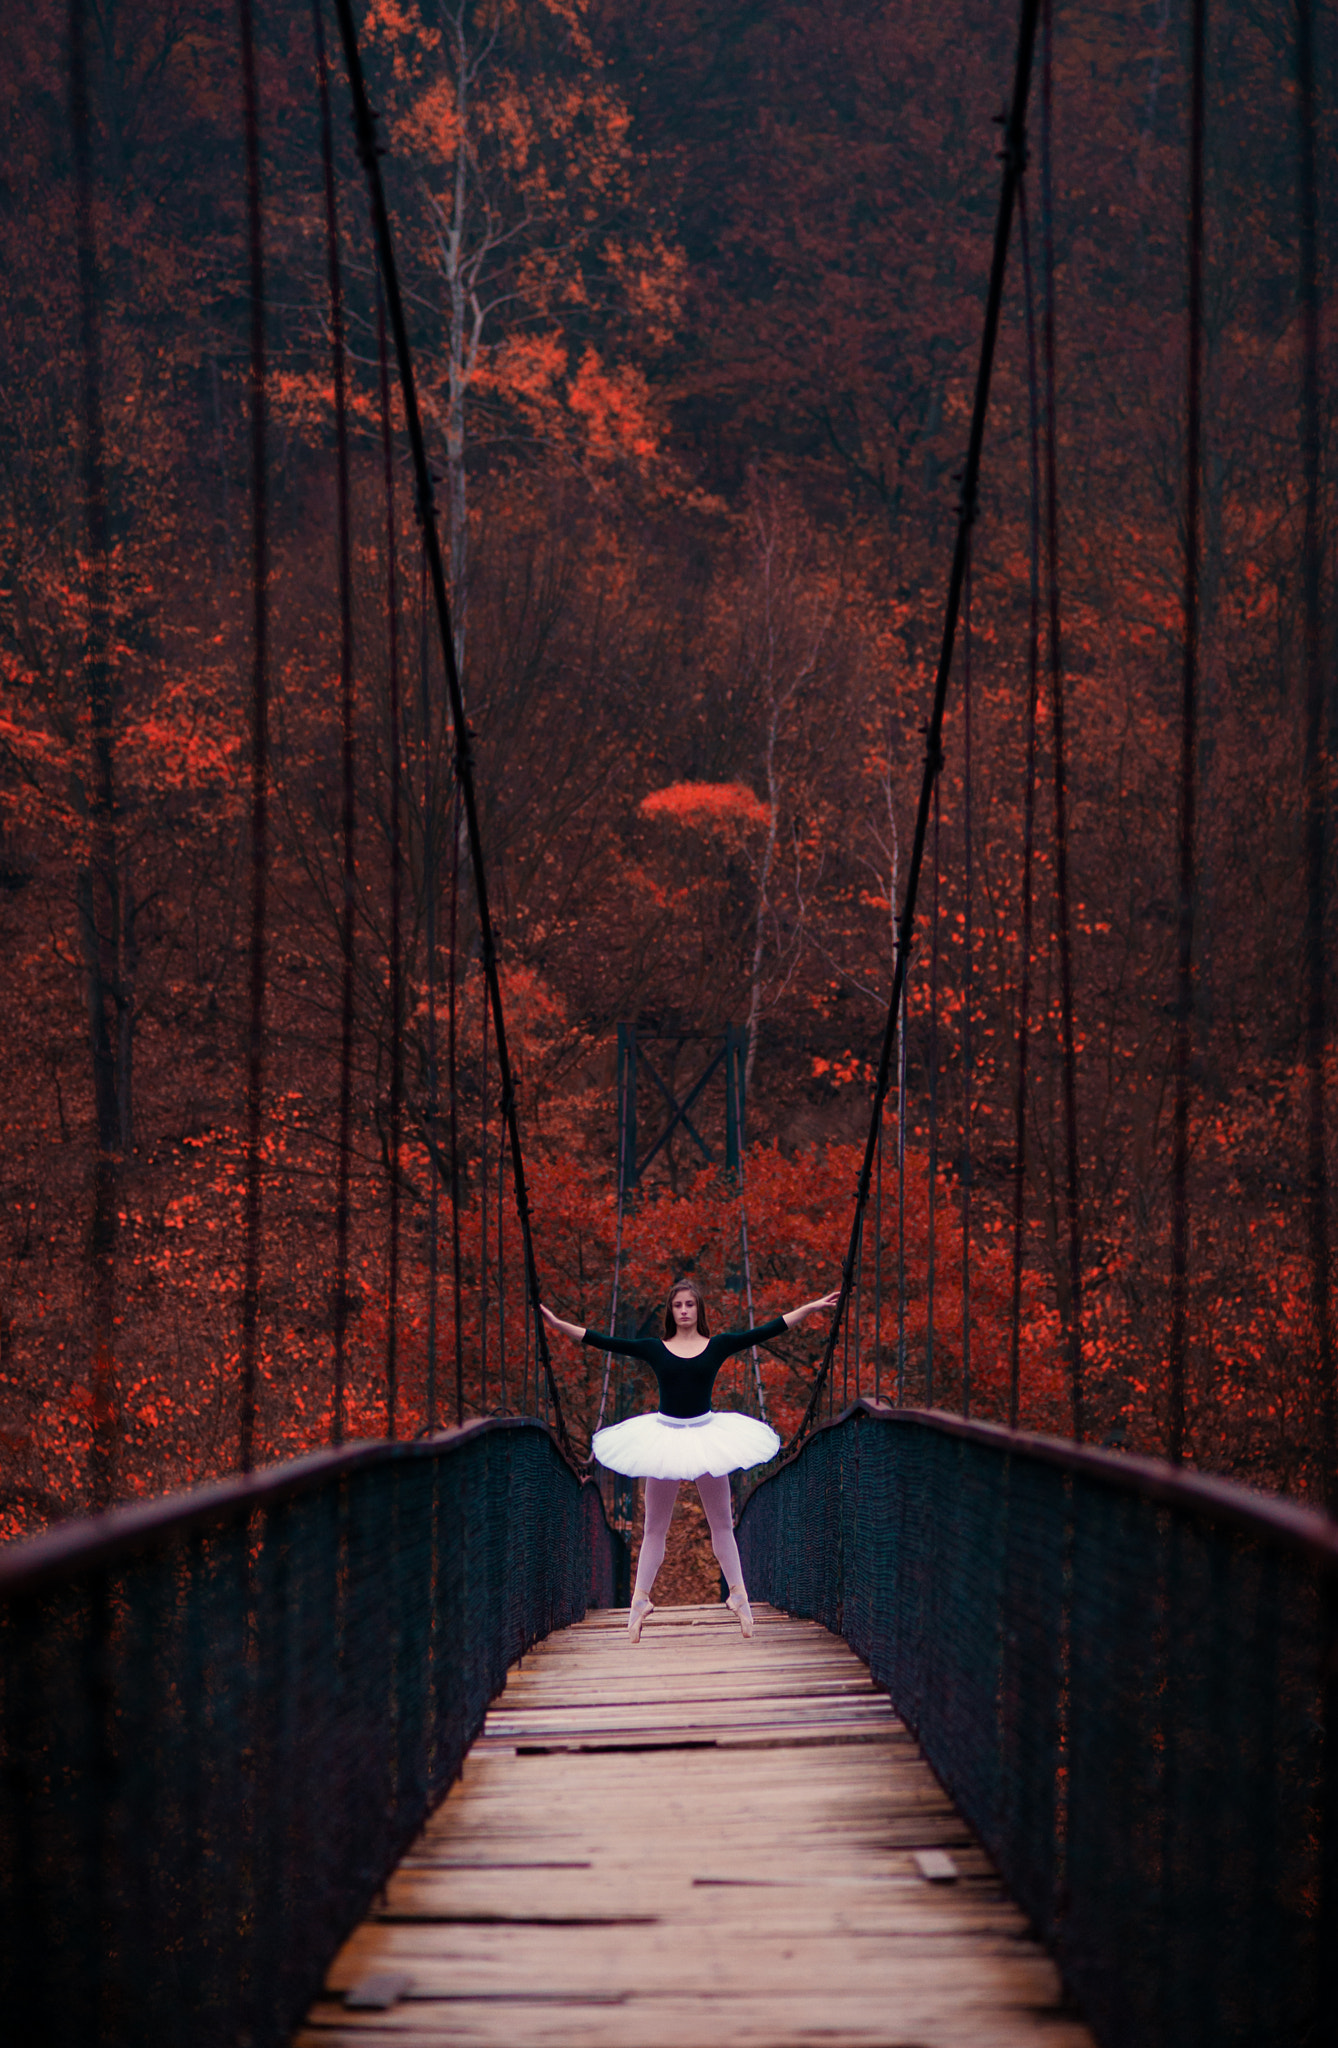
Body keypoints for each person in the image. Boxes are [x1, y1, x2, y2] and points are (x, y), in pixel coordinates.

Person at [541, 1279, 839, 1641]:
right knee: (654, 1528)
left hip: (707, 1435)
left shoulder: (719, 1345)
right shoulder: (655, 1348)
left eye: (689, 1305)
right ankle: (640, 1602)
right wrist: (557, 1324)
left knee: (722, 1526)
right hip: (664, 1437)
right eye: (678, 1305)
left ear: (698, 1310)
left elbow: (768, 1330)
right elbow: (604, 1341)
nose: (683, 1311)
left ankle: (739, 1597)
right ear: (671, 1311)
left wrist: (808, 1308)